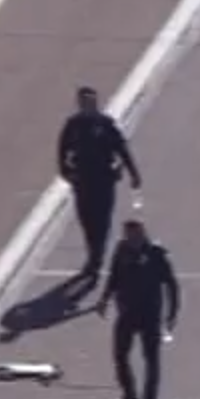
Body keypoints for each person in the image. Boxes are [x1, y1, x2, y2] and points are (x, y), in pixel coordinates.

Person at [98, 218, 180, 399]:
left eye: (135, 235)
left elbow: (171, 285)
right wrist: (104, 298)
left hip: (150, 314)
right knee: (120, 354)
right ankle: (129, 393)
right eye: (128, 235)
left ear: (143, 234)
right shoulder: (122, 251)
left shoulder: (156, 255)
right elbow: (114, 276)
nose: (131, 239)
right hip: (127, 312)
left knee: (151, 359)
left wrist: (171, 314)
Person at [58, 85, 141, 278]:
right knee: (86, 219)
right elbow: (62, 149)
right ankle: (94, 252)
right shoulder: (73, 125)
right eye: (84, 102)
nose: (88, 105)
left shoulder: (105, 125)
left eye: (91, 101)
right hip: (83, 180)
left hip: (104, 179)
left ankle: (96, 257)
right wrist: (65, 171)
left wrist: (133, 173)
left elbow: (122, 149)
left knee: (102, 220)